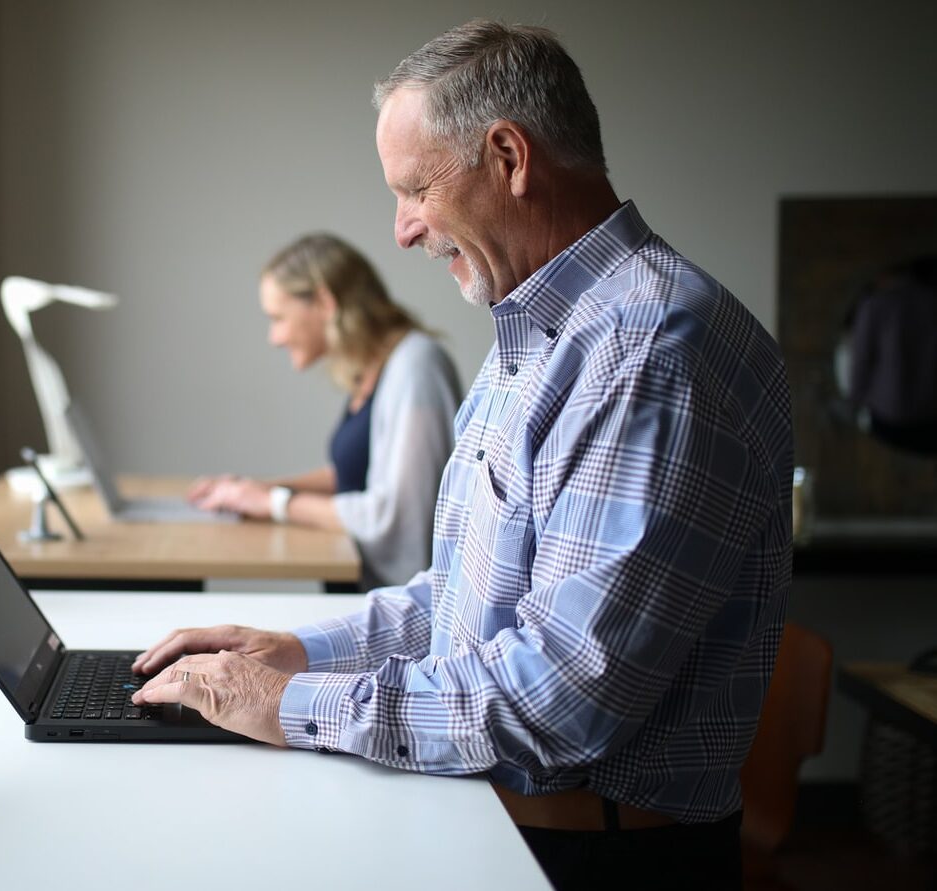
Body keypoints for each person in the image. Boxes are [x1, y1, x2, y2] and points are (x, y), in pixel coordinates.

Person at [133, 21, 792, 891]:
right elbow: (465, 598)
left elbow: (555, 698)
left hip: (594, 860)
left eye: (414, 189)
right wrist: (294, 651)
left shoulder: (647, 353)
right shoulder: (544, 333)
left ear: (510, 157)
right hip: (514, 825)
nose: (402, 231)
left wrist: (287, 705)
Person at [188, 232, 462, 589]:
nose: (275, 337)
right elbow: (354, 475)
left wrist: (273, 502)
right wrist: (253, 491)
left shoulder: (417, 366)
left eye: (278, 317)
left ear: (323, 302)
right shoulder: (373, 368)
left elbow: (396, 515)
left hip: (391, 609)